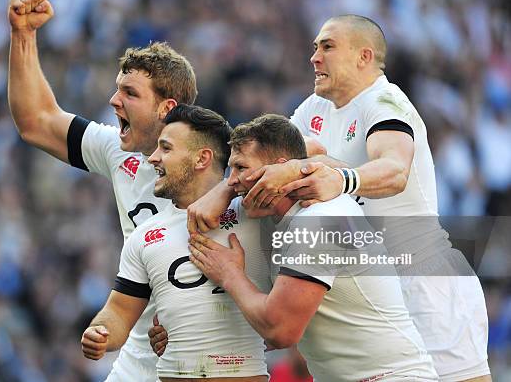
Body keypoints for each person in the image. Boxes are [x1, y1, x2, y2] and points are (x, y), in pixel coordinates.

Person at [238, 15, 491, 382]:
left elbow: (394, 169)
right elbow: (259, 156)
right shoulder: (314, 108)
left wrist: (341, 178)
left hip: (420, 277)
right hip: (366, 287)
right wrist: (221, 193)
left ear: (364, 56)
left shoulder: (385, 102)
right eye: (314, 48)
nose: (314, 57)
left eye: (327, 46)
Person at [7, 0, 197, 381]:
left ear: (166, 108)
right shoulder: (117, 150)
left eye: (129, 93)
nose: (113, 101)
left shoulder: (227, 166)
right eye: (117, 88)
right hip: (139, 355)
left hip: (207, 358)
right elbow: (36, 121)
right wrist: (23, 36)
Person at [188, 114, 438, 381]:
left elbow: (280, 331)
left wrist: (230, 274)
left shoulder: (319, 218)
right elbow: (314, 149)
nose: (232, 180)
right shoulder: (280, 216)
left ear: (279, 169)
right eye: (230, 169)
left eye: (240, 168)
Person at [81, 104, 271, 381]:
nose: (152, 159)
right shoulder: (145, 236)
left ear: (201, 158)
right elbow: (120, 312)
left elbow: (306, 157)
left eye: (166, 149)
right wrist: (100, 332)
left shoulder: (259, 212)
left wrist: (229, 187)